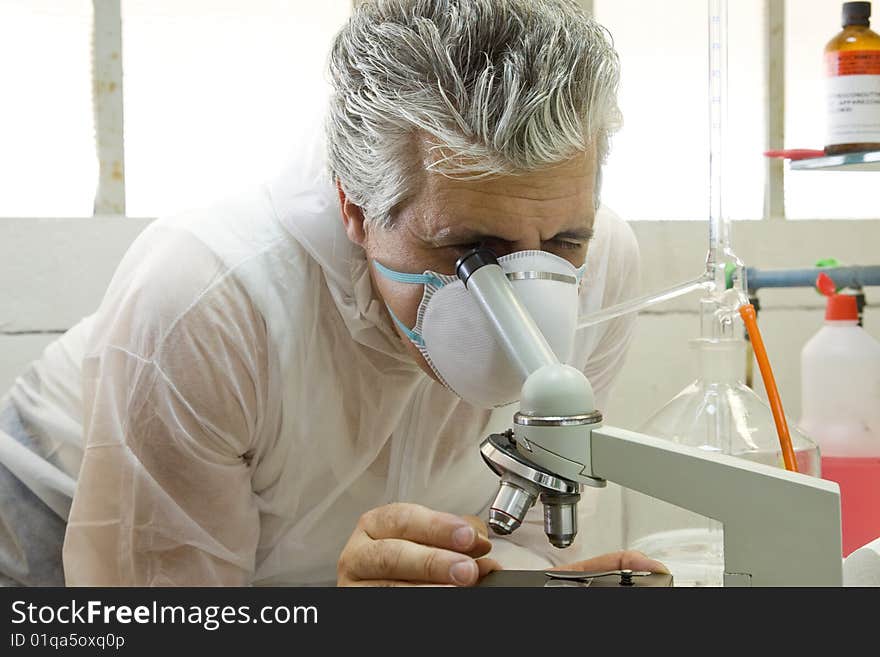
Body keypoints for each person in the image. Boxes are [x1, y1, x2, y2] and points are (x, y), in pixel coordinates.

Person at [0, 0, 664, 587]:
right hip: (61, 548)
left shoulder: (604, 264)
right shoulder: (208, 299)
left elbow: (513, 537)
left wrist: (528, 587)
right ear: (354, 205)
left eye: (563, 242)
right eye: (470, 250)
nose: (529, 304)